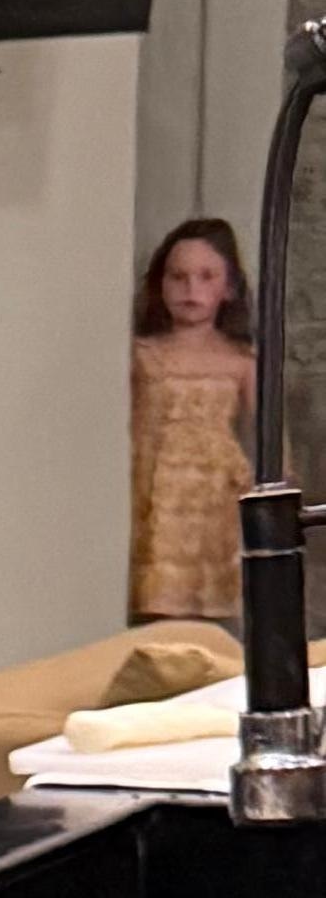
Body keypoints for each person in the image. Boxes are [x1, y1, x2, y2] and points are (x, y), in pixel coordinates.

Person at [133, 213, 259, 628]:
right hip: (153, 487)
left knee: (208, 615)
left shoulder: (240, 361)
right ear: (160, 283)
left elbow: (270, 436)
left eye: (206, 277)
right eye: (178, 277)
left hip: (214, 495)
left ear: (229, 287)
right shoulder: (141, 355)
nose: (191, 290)